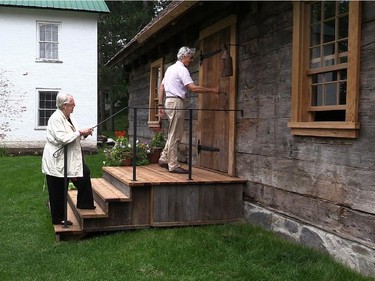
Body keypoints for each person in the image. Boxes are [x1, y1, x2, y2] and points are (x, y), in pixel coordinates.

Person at [158, 46, 220, 174]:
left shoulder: (170, 69)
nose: (191, 60)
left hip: (168, 101)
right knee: (176, 134)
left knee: (172, 132)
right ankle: (173, 165)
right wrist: (213, 90)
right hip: (176, 102)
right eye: (190, 58)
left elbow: (161, 88)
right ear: (184, 57)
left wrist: (160, 105)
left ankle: (164, 158)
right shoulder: (182, 69)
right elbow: (193, 88)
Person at [42, 92, 96, 226]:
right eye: (72, 104)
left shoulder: (69, 117)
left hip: (70, 156)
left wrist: (84, 134)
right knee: (58, 188)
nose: (74, 106)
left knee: (85, 173)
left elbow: (73, 134)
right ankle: (58, 218)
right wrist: (80, 132)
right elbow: (63, 138)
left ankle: (85, 204)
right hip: (57, 159)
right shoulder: (56, 118)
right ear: (65, 105)